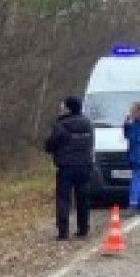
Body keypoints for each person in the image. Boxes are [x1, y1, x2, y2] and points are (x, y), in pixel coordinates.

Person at [45, 95, 97, 240]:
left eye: (62, 106)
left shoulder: (61, 125)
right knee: (83, 198)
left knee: (63, 199)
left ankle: (63, 231)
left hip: (66, 166)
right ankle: (83, 228)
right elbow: (91, 144)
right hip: (85, 165)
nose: (60, 109)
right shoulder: (88, 124)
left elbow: (49, 145)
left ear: (68, 108)